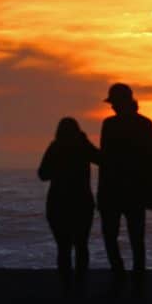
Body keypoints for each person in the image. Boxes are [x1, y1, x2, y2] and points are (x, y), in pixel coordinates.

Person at [97, 83, 152, 284]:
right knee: (132, 239)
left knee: (117, 238)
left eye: (114, 102)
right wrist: (151, 196)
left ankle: (123, 278)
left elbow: (106, 161)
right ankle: (133, 281)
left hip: (118, 192)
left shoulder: (111, 125)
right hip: (130, 192)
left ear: (122, 103)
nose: (112, 107)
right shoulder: (143, 124)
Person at [37, 117, 101, 287]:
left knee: (63, 247)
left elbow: (42, 174)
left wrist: (59, 169)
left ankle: (66, 284)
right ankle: (80, 283)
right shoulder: (83, 146)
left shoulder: (55, 147)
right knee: (81, 245)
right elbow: (101, 159)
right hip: (82, 203)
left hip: (58, 203)